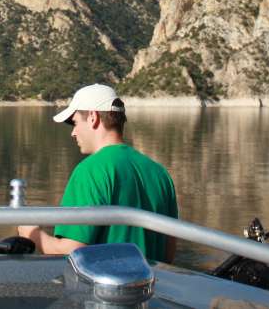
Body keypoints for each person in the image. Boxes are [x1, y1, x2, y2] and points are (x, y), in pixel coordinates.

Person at [17, 83, 179, 263]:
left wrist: (32, 234)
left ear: (93, 117)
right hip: (151, 288)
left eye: (75, 122)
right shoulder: (161, 174)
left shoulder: (90, 171)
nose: (73, 132)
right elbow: (168, 255)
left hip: (106, 289)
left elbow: (71, 252)